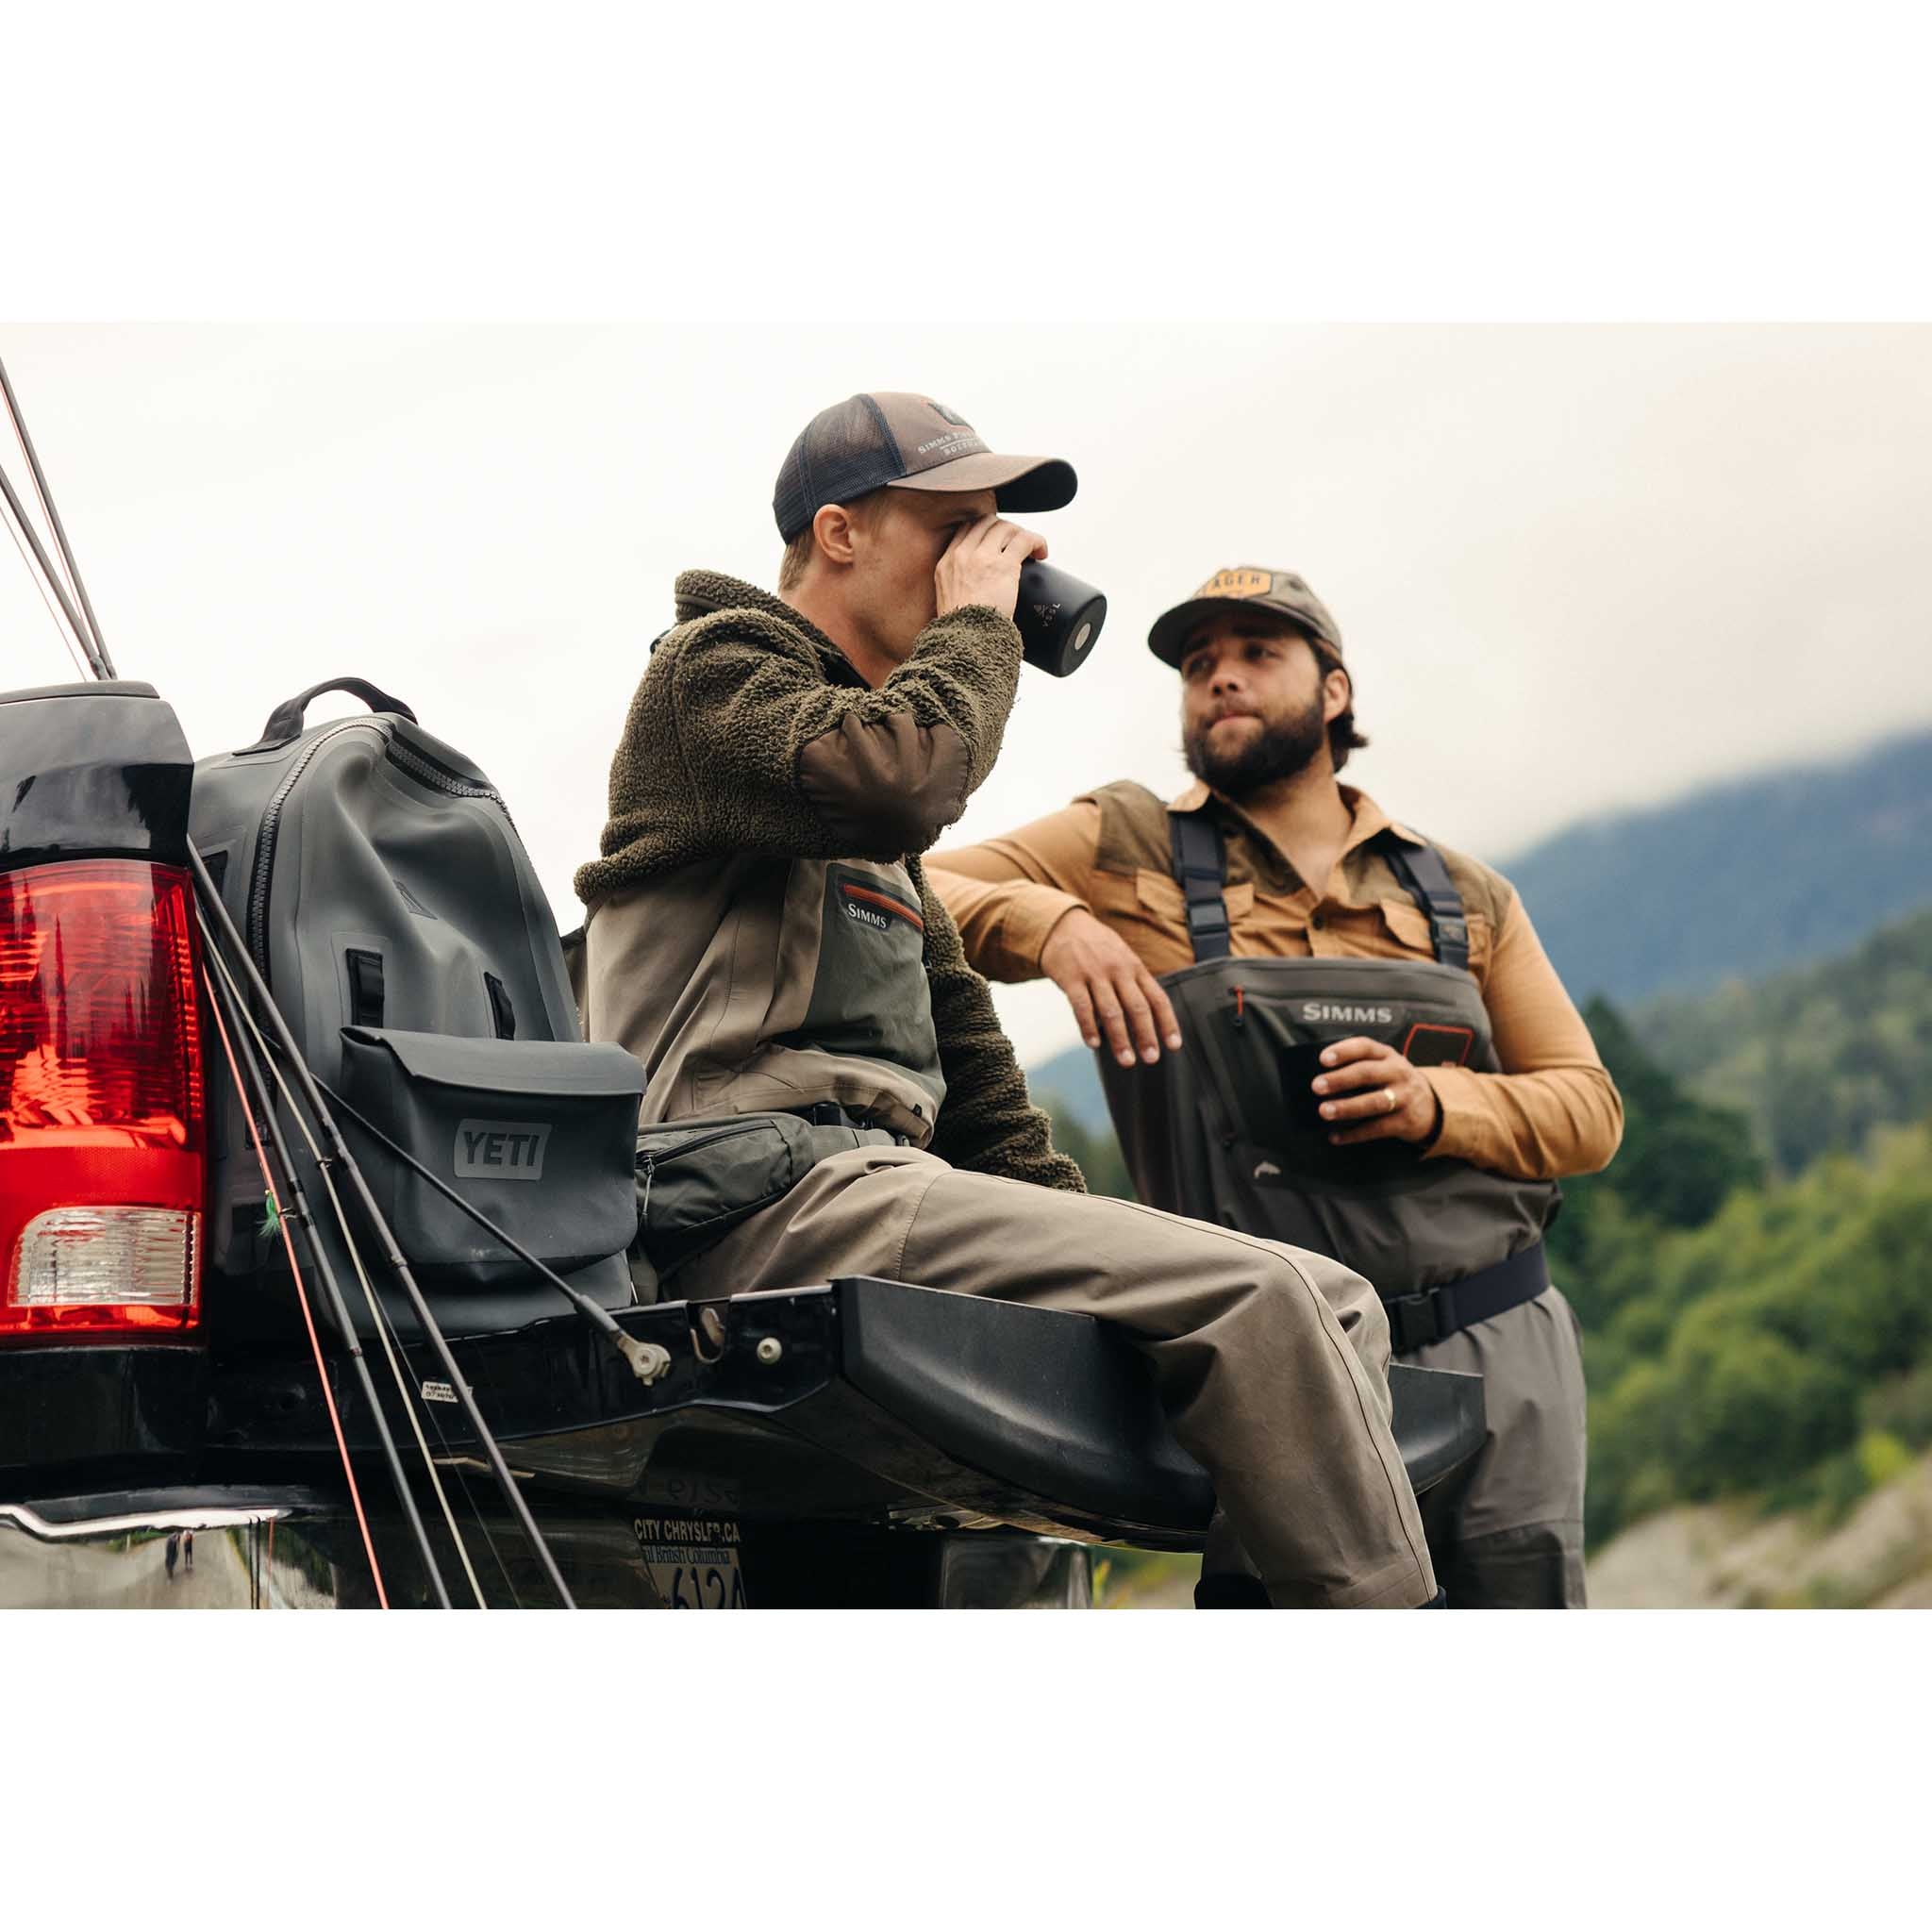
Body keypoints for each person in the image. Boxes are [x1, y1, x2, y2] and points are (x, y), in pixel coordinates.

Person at [575, 400, 1439, 1607]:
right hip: (745, 1198)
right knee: (1269, 1295)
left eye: (996, 535)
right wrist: (979, 622)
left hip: (872, 1194)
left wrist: (1099, 1254)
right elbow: (901, 776)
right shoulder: (712, 674)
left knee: (1325, 1305)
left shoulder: (870, 823)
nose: (991, 555)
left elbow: (979, 1096)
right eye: (956, 528)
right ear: (839, 533)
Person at [927, 565, 1624, 1607]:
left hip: (1498, 1349)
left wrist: (1434, 1103)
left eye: (1258, 653)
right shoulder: (1124, 840)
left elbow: (1589, 1110)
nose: (1221, 678)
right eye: (1198, 664)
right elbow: (913, 876)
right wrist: (1052, 921)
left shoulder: (1467, 894)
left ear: (1334, 691)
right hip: (1281, 1362)